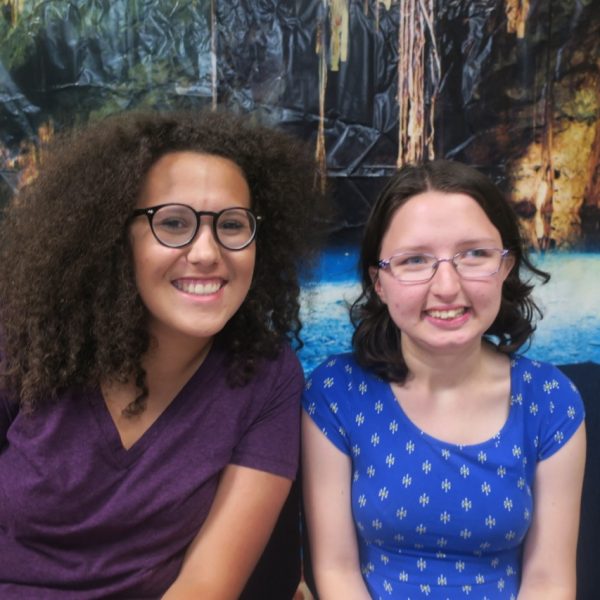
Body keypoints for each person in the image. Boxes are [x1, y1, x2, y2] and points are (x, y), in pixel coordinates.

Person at [0, 109, 326, 598]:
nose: (207, 253)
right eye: (173, 223)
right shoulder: (25, 340)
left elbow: (205, 585)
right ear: (115, 237)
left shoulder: (267, 376)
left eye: (232, 225)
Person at [302, 160, 586, 599]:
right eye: (415, 260)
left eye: (474, 254)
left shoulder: (550, 401)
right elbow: (336, 569)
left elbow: (549, 581)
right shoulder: (336, 393)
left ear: (506, 266)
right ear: (379, 282)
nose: (447, 287)